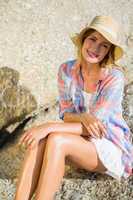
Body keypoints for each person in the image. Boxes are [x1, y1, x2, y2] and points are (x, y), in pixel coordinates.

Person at [15, 16, 133, 200]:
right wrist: (83, 116)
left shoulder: (114, 77)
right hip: (80, 139)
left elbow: (97, 128)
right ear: (84, 39)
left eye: (104, 45)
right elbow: (66, 113)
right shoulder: (66, 70)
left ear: (109, 51)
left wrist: (46, 127)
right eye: (92, 39)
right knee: (39, 141)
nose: (95, 48)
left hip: (109, 144)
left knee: (56, 139)